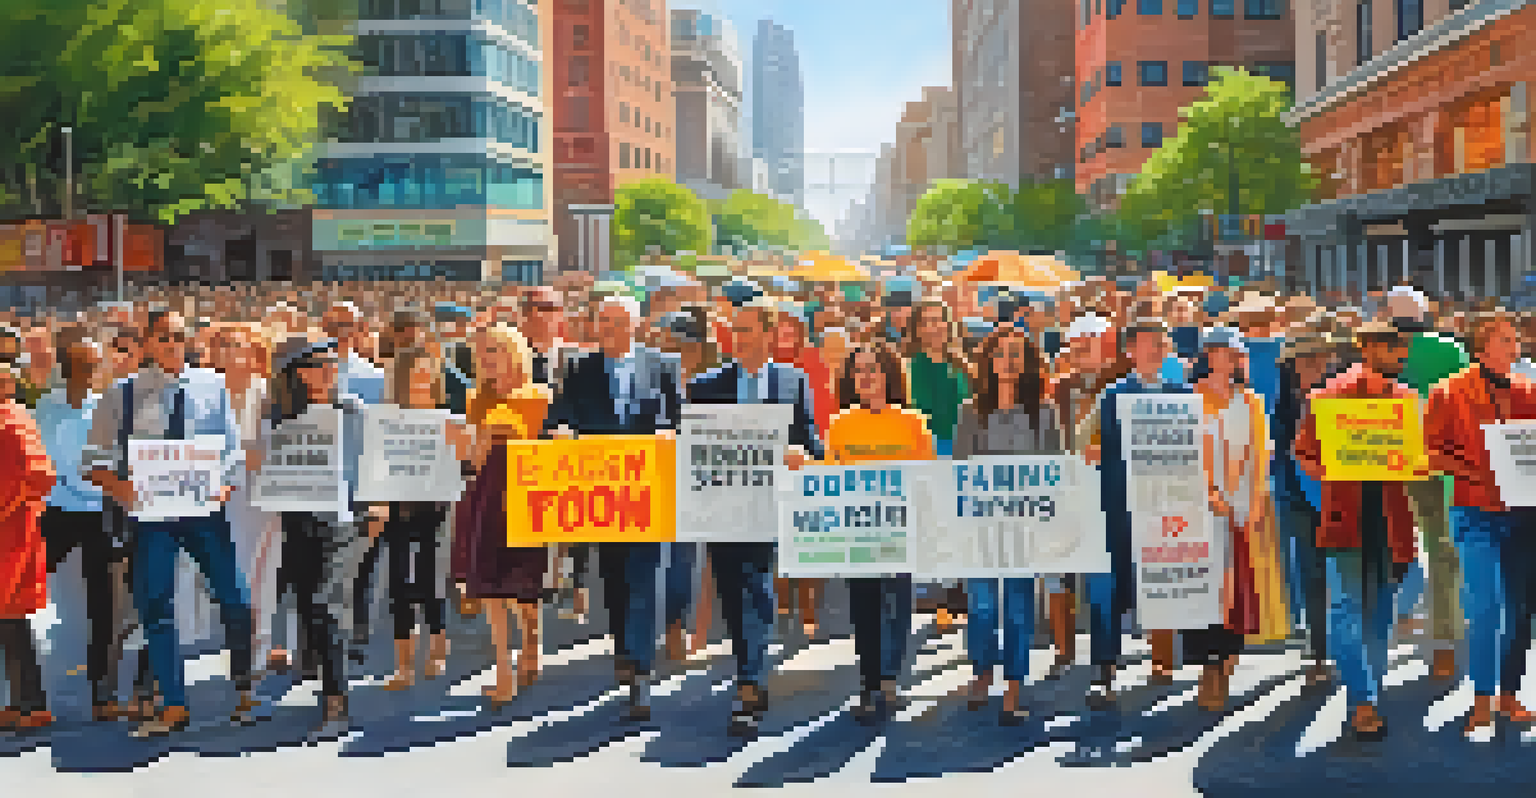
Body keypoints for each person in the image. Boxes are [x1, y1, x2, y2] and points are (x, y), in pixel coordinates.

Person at [82, 309, 255, 737]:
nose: (173, 344)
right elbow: (92, 463)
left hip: (205, 515)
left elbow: (232, 454)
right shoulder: (120, 395)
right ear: (146, 343)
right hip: (153, 519)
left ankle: (244, 689)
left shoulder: (212, 387)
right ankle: (174, 704)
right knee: (156, 608)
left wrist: (226, 487)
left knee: (235, 600)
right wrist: (122, 489)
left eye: (179, 336)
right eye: (164, 337)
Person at [546, 296, 682, 722]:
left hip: (649, 491)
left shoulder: (662, 366)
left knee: (645, 577)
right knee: (615, 579)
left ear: (636, 325)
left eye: (618, 322)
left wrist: (670, 434)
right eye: (603, 321)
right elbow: (560, 413)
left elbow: (683, 419)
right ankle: (625, 647)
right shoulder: (580, 368)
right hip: (603, 496)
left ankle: (640, 670)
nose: (609, 328)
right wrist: (560, 429)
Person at [688, 302, 821, 736]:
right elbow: (692, 448)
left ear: (768, 333)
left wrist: (805, 455)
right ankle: (750, 670)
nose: (739, 339)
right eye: (734, 332)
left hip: (771, 505)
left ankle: (751, 677)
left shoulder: (793, 380)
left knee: (760, 587)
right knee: (733, 589)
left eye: (746, 330)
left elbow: (810, 439)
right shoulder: (706, 386)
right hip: (724, 509)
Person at [1294, 320, 1421, 740]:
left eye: (1402, 345)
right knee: (1350, 610)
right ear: (1367, 348)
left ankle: (1366, 698)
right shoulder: (1328, 398)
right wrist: (1338, 472)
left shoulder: (1405, 398)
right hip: (1350, 519)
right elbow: (1306, 456)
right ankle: (1365, 700)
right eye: (1392, 346)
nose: (1401, 352)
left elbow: (1416, 462)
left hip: (1389, 520)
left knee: (1378, 613)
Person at [1425, 311, 1536, 732]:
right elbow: (1431, 452)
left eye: (1516, 340)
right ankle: (1482, 697)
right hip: (1475, 512)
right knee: (1485, 607)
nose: (1517, 347)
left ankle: (1509, 694)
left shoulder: (1529, 390)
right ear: (1482, 345)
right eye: (1507, 340)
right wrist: (1477, 469)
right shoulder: (1447, 392)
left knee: (1520, 610)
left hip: (1525, 513)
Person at [816, 344, 935, 723]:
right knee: (864, 607)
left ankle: (890, 678)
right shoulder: (840, 424)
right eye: (859, 370)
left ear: (889, 374)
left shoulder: (913, 422)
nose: (865, 377)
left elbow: (926, 478)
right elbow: (829, 477)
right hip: (859, 533)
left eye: (873, 369)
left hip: (900, 530)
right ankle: (869, 685)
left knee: (898, 605)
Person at [263, 336, 374, 741]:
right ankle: (324, 679)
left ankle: (336, 703)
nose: (331, 370)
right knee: (311, 606)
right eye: (320, 364)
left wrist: (372, 507)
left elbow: (368, 461)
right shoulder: (279, 415)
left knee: (328, 606)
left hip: (342, 522)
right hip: (297, 520)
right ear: (301, 374)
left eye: (333, 363)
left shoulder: (353, 410)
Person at [953, 325, 1062, 725]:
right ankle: (982, 670)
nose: (1009, 361)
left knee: (1018, 609)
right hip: (982, 527)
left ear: (1028, 362)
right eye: (1001, 353)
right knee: (981, 606)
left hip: (1025, 527)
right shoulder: (970, 410)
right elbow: (960, 471)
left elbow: (1055, 469)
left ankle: (1014, 684)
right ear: (989, 361)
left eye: (1017, 354)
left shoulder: (1045, 412)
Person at [1082, 319, 1192, 707]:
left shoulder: (1183, 395)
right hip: (1117, 507)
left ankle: (1163, 662)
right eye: (1147, 344)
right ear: (1130, 351)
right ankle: (1104, 671)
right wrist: (1090, 450)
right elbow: (1085, 442)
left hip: (1164, 509)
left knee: (1163, 582)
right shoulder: (1110, 397)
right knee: (1108, 590)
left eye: (1160, 344)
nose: (1154, 351)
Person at [453, 324, 551, 705]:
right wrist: (470, 443)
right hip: (486, 492)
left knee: (525, 583)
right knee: (490, 581)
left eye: (494, 351)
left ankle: (531, 642)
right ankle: (503, 669)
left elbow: (540, 450)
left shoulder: (538, 395)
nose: (487, 359)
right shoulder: (475, 398)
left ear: (515, 353)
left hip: (526, 493)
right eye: (482, 353)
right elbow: (473, 462)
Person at [34, 335, 128, 720]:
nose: (91, 371)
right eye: (84, 364)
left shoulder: (107, 406)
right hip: (55, 511)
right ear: (66, 367)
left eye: (95, 364)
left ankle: (103, 696)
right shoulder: (45, 407)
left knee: (103, 605)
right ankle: (21, 691)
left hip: (98, 512)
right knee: (22, 589)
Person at [1188, 328, 1276, 711]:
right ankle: (1208, 667)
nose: (1228, 358)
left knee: (1236, 590)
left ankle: (1225, 661)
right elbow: (1184, 451)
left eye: (1233, 352)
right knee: (1204, 589)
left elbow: (1261, 451)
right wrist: (1206, 493)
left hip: (1240, 508)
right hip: (1200, 508)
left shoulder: (1252, 402)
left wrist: (1256, 501)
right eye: (1219, 351)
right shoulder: (1191, 399)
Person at [1386, 286, 1467, 681]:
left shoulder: (1378, 347)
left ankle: (1377, 639)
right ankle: (1444, 646)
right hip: (1439, 467)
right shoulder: (1450, 351)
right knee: (1442, 555)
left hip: (1386, 466)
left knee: (1382, 550)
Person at [380, 347, 468, 690]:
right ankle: (403, 665)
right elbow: (377, 466)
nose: (422, 378)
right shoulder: (386, 419)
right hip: (400, 507)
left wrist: (463, 446)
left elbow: (467, 466)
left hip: (437, 508)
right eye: (415, 372)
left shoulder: (449, 418)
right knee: (400, 582)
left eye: (427, 372)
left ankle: (437, 646)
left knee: (432, 581)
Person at [904, 300, 972, 633]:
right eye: (928, 322)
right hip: (931, 453)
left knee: (960, 523)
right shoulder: (912, 366)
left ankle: (956, 592)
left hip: (964, 451)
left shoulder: (961, 362)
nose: (935, 327)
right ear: (917, 328)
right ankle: (940, 596)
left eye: (940, 321)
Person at [0, 363, 58, 731]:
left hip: (10, 533)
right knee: (10, 619)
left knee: (9, 617)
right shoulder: (15, 416)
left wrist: (7, 505)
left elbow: (38, 475)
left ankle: (30, 705)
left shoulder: (11, 419)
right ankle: (26, 703)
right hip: (13, 527)